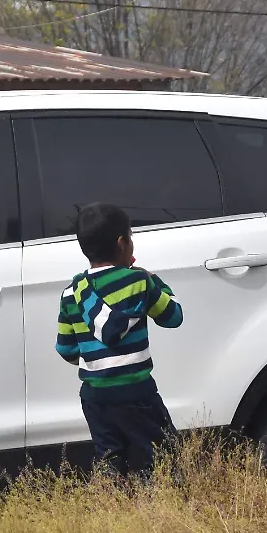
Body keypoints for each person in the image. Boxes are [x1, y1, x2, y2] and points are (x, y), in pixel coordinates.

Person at [54, 204, 184, 478]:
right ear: (122, 242)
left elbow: (66, 349)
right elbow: (173, 316)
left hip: (94, 395)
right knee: (163, 456)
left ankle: (113, 508)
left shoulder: (71, 292)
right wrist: (155, 281)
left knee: (109, 458)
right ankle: (158, 509)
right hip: (136, 392)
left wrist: (96, 356)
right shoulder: (138, 282)